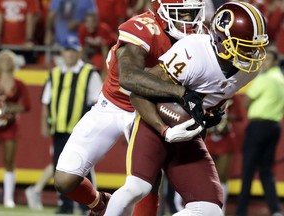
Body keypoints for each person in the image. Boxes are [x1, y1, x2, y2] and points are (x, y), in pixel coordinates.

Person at [103, 1, 269, 215]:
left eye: (255, 47)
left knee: (210, 209)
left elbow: (212, 100)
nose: (252, 54)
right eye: (245, 46)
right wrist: (165, 128)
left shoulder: (248, 70)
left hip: (190, 132)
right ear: (221, 38)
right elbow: (138, 93)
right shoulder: (194, 51)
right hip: (155, 122)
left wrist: (211, 114)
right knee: (137, 187)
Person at [53, 0, 206, 215]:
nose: (189, 20)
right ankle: (100, 205)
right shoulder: (142, 29)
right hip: (112, 105)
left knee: (147, 179)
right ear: (161, 11)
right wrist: (180, 93)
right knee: (64, 180)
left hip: (148, 109)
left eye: (193, 13)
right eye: (183, 13)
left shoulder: (199, 37)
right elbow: (129, 77)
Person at [41, 36, 103, 214]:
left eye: (73, 51)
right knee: (58, 167)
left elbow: (97, 103)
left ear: (79, 52)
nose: (70, 54)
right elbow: (46, 100)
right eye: (67, 51)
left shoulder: (89, 72)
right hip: (59, 129)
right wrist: (45, 123)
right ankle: (65, 204)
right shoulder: (54, 74)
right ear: (62, 53)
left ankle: (88, 204)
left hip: (81, 131)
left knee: (82, 167)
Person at [235, 46, 284, 216]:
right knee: (266, 171)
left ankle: (241, 211)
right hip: (274, 127)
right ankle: (276, 210)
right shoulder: (281, 79)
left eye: (268, 59)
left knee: (248, 170)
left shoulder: (265, 79)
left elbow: (246, 101)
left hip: (258, 127)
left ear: (275, 62)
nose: (265, 63)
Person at [0, 49, 31, 208]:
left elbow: (26, 105)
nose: (6, 62)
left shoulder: (19, 84)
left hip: (10, 126)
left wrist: (8, 109)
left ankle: (8, 198)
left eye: (9, 59)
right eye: (3, 59)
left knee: (9, 161)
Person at [205, 95, 245, 214]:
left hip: (225, 140)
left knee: (222, 177)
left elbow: (239, 116)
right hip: (210, 138)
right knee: (207, 177)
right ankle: (206, 207)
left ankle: (221, 208)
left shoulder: (232, 96)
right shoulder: (207, 91)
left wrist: (225, 117)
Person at [78, 12, 117, 80]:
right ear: (85, 23)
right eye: (88, 22)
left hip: (112, 50)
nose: (91, 24)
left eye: (93, 21)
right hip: (96, 50)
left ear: (97, 22)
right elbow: (82, 48)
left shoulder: (103, 29)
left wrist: (105, 72)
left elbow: (105, 51)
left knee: (99, 63)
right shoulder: (82, 30)